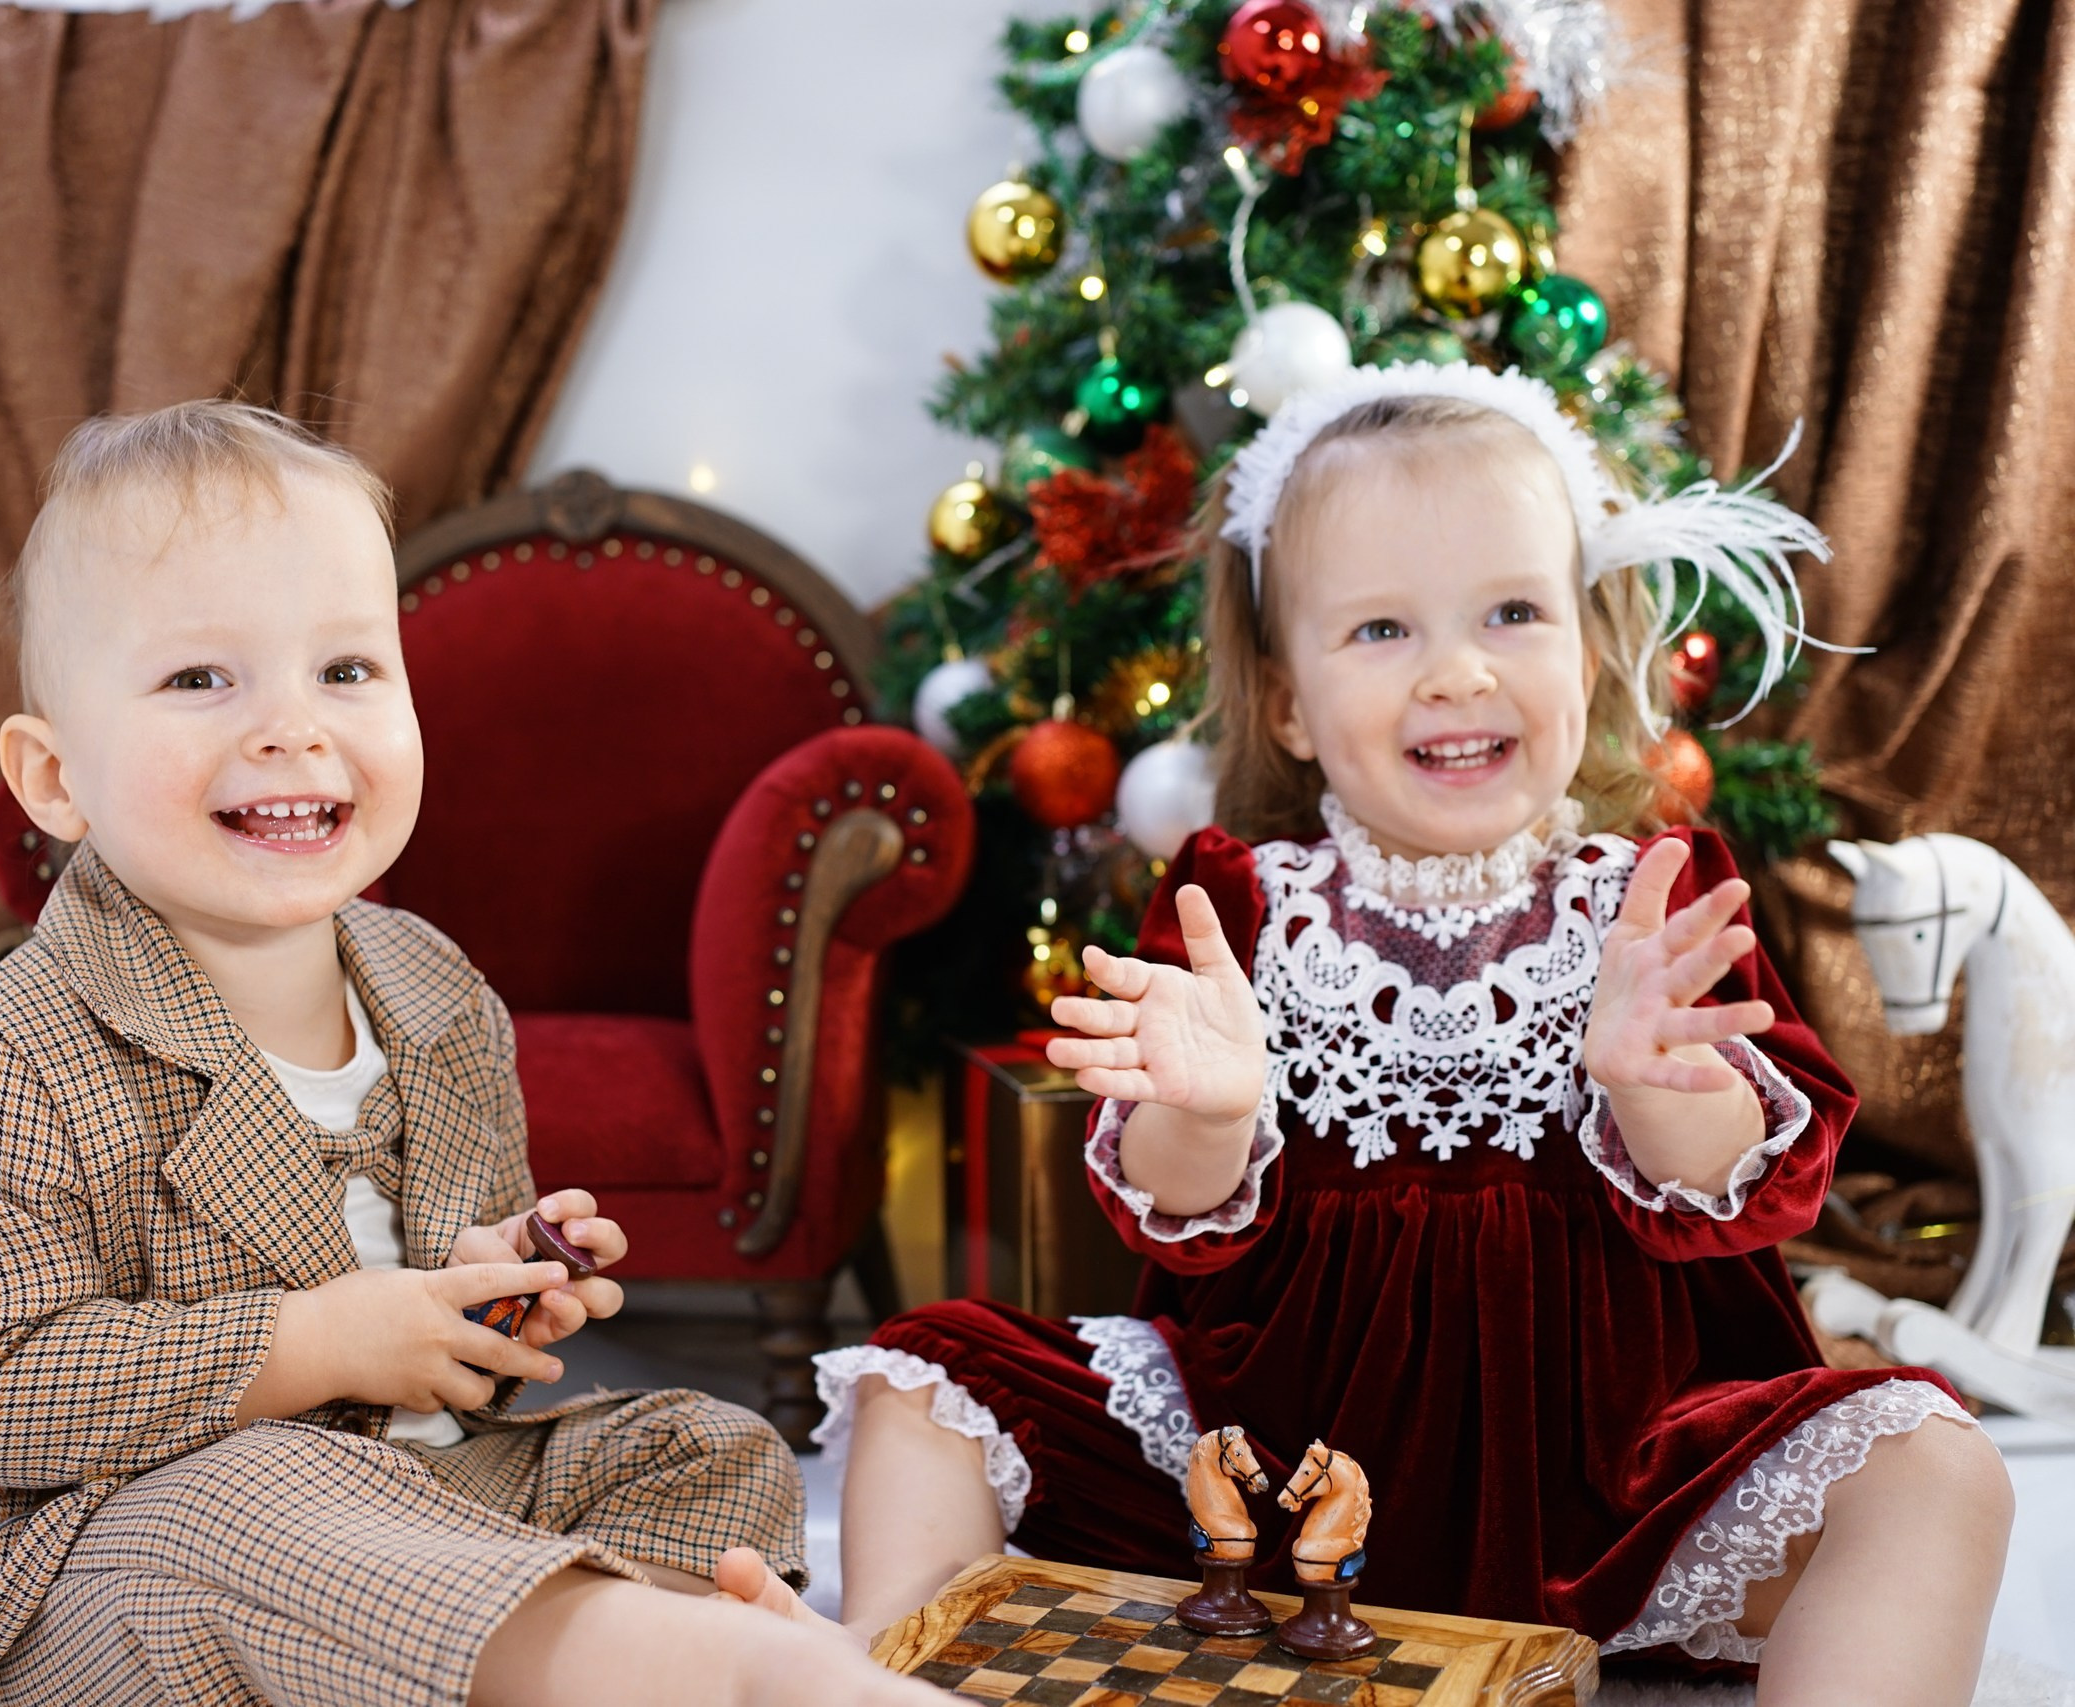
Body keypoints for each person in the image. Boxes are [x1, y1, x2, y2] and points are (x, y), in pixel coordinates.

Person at [817, 367, 2013, 1705]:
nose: (1457, 671)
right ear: (1286, 701)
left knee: (1937, 1467)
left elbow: (1753, 1185)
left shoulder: (1653, 897)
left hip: (1620, 1478)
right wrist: (1209, 1115)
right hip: (1265, 1478)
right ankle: (868, 1682)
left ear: (1590, 650)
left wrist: (1663, 1087)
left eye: (1514, 612)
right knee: (923, 1381)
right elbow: (1174, 1213)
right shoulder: (1239, 901)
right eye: (1382, 628)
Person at [0, 400, 945, 1707]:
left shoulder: (436, 993)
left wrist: (490, 1286)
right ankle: (739, 1676)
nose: (292, 726)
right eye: (201, 679)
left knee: (705, 1448)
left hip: (424, 1492)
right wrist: (317, 1343)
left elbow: (446, 1335)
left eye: (346, 670)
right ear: (53, 779)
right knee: (252, 1496)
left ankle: (594, 1660)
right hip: (109, 1545)